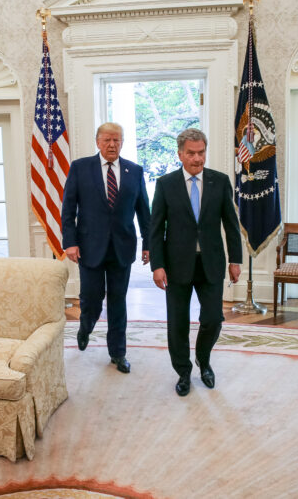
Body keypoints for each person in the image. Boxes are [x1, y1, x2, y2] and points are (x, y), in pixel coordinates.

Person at [149, 128, 242, 396]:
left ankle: (204, 359)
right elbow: (156, 228)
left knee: (213, 319)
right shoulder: (165, 184)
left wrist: (236, 259)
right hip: (176, 264)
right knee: (177, 322)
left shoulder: (220, 181)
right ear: (180, 154)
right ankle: (183, 371)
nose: (197, 158)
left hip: (211, 262)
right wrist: (157, 265)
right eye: (191, 153)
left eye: (201, 152)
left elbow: (231, 224)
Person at [61, 122, 151, 373]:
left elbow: (144, 211)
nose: (112, 145)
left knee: (118, 301)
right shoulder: (80, 168)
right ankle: (85, 325)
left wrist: (149, 244)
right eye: (107, 140)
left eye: (117, 140)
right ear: (98, 142)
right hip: (89, 246)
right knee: (91, 298)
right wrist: (70, 242)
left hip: (122, 248)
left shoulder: (134, 170)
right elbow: (68, 209)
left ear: (122, 142)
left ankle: (118, 353)